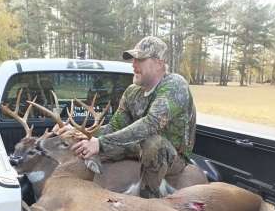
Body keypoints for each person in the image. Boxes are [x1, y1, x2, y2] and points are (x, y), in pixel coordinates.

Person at [71, 36, 196, 198]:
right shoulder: (132, 92)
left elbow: (152, 123)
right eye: (133, 59)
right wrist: (82, 135)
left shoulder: (175, 85)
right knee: (84, 148)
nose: (133, 65)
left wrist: (100, 143)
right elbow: (114, 127)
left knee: (153, 143)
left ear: (159, 63)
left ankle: (148, 200)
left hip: (170, 156)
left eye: (140, 60)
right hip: (137, 146)